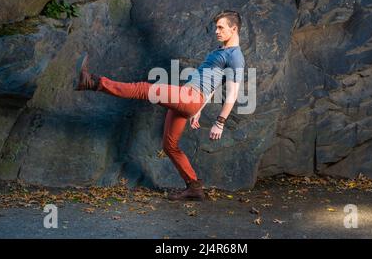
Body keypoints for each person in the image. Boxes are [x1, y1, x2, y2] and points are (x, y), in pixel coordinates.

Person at [74, 10, 245, 201]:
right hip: (189, 99)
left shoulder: (235, 56)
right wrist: (199, 109)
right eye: (216, 27)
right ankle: (194, 187)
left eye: (221, 27)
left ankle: (93, 82)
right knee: (169, 145)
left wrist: (220, 121)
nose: (216, 31)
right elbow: (214, 83)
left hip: (190, 97)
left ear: (234, 28)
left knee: (142, 89)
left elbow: (232, 92)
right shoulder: (222, 52)